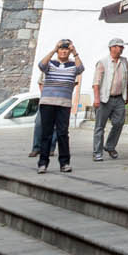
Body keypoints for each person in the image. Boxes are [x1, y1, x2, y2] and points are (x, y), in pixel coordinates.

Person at [35, 39, 84, 173]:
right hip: (47, 103)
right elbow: (41, 65)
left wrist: (75, 52)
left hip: (64, 104)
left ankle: (64, 163)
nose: (63, 51)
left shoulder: (73, 65)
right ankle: (42, 163)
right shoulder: (50, 64)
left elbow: (80, 69)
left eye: (66, 49)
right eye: (61, 49)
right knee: (46, 134)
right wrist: (53, 49)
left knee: (63, 134)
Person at [92, 37, 128, 162]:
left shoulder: (124, 61)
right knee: (100, 127)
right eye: (120, 46)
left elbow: (127, 80)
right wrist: (96, 99)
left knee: (119, 123)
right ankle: (97, 152)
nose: (122, 48)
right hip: (104, 99)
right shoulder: (102, 62)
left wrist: (127, 95)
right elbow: (96, 83)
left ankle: (110, 146)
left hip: (119, 98)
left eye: (122, 47)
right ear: (112, 48)